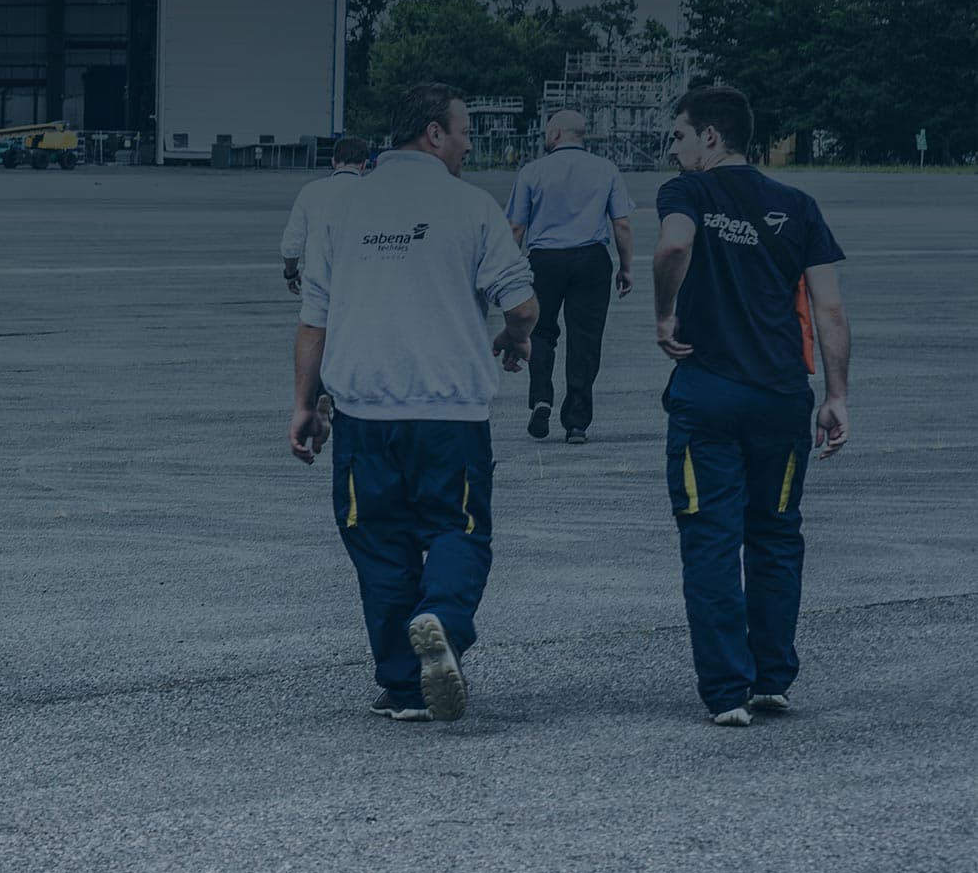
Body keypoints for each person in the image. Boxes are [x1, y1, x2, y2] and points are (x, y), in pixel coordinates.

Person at [290, 83, 537, 724]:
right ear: (433, 133)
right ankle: (443, 619)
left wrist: (304, 404)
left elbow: (314, 319)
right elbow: (522, 304)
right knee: (458, 529)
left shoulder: (341, 206)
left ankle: (404, 688)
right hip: (450, 413)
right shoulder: (471, 206)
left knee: (379, 547)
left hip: (363, 413)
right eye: (463, 132)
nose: (468, 144)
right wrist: (515, 338)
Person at [652, 85, 849, 727]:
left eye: (679, 135)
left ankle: (726, 691)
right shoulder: (798, 205)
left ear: (710, 136)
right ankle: (771, 678)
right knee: (776, 533)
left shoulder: (688, 191)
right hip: (782, 398)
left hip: (708, 394)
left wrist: (663, 313)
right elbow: (828, 308)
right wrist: (837, 396)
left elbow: (673, 246)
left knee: (711, 537)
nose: (674, 149)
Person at [506, 109, 635, 443]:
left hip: (545, 260)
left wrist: (509, 273)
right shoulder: (606, 169)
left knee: (540, 331)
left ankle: (541, 398)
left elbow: (516, 227)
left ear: (556, 134)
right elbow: (621, 224)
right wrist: (626, 266)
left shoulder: (532, 171)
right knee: (585, 339)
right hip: (591, 259)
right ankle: (577, 422)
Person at [282, 136, 373, 296]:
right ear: (364, 164)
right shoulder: (374, 193)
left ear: (333, 161)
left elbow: (292, 244)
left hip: (317, 288)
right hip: (359, 289)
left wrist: (291, 274)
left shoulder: (310, 191)